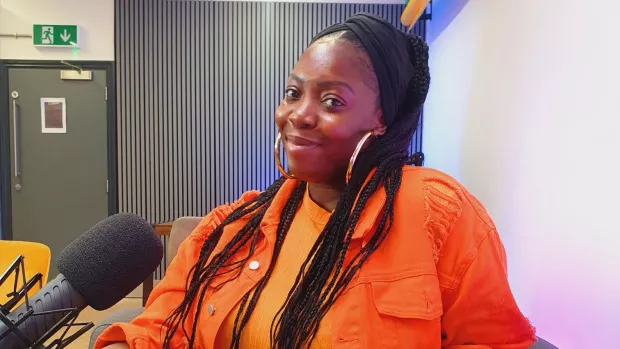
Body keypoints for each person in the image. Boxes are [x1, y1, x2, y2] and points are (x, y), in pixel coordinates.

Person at [97, 13, 536, 349]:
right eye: (293, 93)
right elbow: (158, 327)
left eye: (331, 100)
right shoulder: (229, 229)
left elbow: (493, 340)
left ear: (382, 118)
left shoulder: (437, 213)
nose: (298, 115)